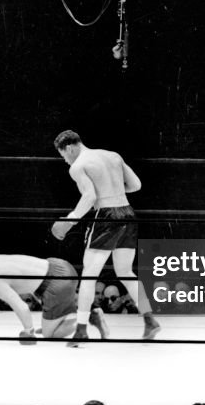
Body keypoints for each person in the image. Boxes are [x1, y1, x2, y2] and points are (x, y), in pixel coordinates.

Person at [51, 130, 159, 345]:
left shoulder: (78, 166)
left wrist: (70, 219)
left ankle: (81, 330)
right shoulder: (113, 155)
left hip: (106, 217)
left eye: (63, 155)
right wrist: (113, 191)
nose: (65, 161)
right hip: (127, 213)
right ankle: (150, 320)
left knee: (89, 275)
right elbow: (136, 185)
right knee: (125, 272)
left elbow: (90, 196)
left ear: (70, 148)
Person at [0, 255, 109, 343]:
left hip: (55, 285)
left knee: (50, 335)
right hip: (59, 266)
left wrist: (28, 332)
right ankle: (86, 308)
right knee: (48, 326)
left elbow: (22, 307)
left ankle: (90, 315)